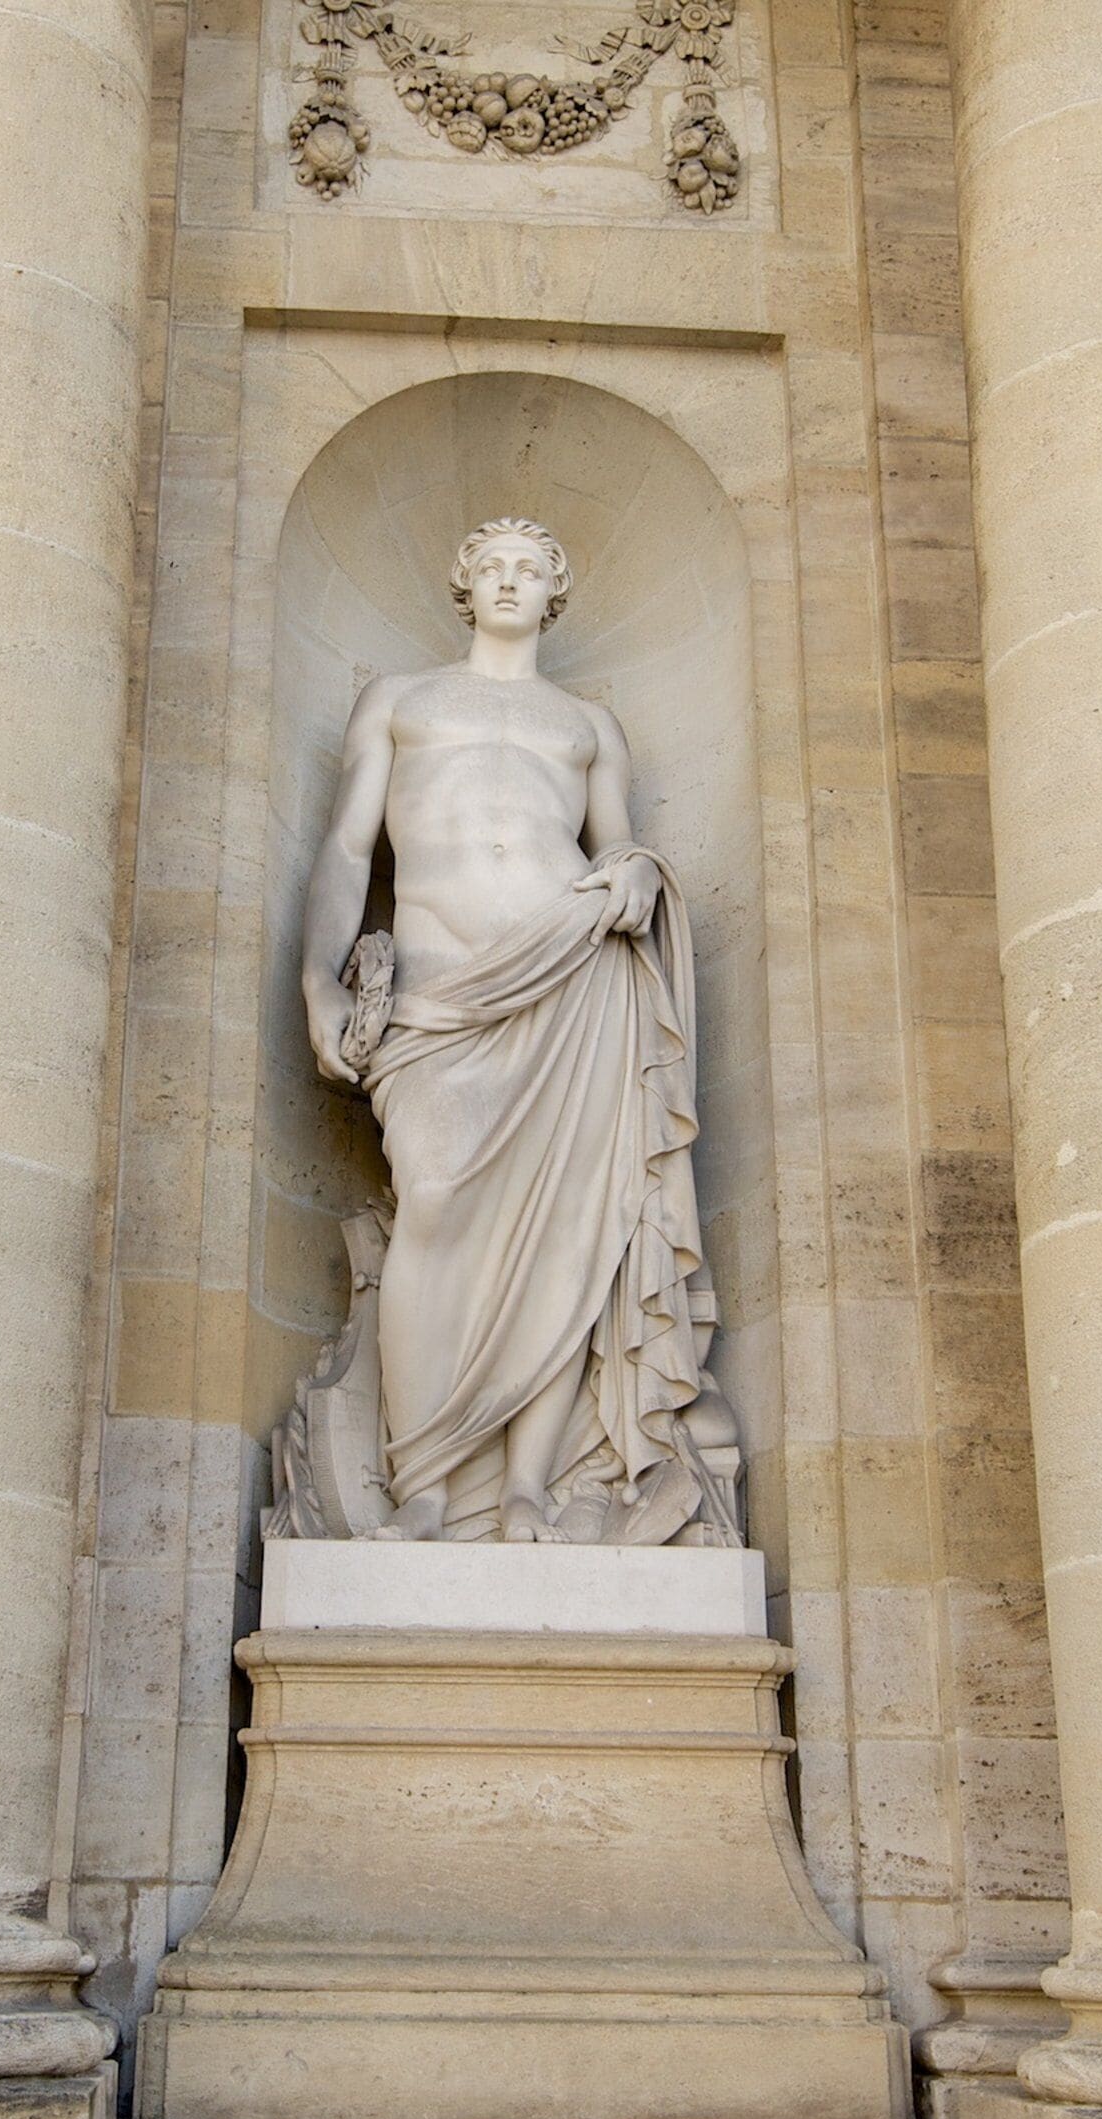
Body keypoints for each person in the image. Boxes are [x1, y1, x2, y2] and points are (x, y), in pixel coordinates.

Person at [295, 516, 738, 1546]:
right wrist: (318, 977)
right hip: (442, 992)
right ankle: (430, 1482)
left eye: (529, 570)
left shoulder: (587, 725)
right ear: (463, 587)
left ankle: (531, 1487)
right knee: (437, 1205)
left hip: (576, 982)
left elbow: (617, 845)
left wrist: (632, 872)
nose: (508, 581)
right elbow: (346, 850)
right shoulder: (401, 701)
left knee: (569, 1240)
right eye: (490, 567)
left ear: (555, 595)